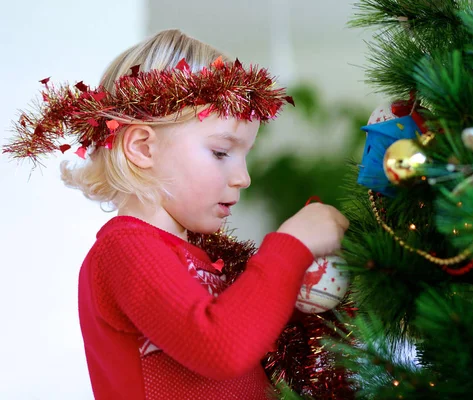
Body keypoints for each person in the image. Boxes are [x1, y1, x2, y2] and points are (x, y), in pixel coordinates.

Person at [4, 29, 349, 399]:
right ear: (142, 148)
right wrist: (290, 247)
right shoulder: (125, 249)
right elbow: (221, 347)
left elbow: (253, 344)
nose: (243, 177)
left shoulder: (204, 255)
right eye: (221, 152)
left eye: (245, 155)